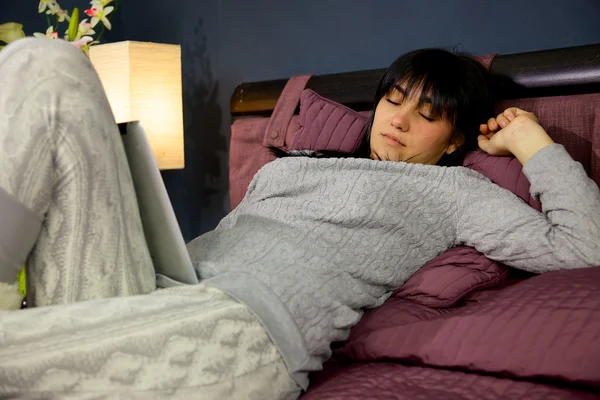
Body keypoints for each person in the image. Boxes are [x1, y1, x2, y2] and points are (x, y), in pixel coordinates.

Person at [0, 38, 599, 400]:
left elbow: (583, 249)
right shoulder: (288, 166)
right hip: (160, 283)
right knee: (44, 64)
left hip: (245, 325)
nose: (400, 119)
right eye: (394, 99)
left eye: (428, 113)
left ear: (454, 139)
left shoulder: (453, 188)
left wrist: (532, 143)